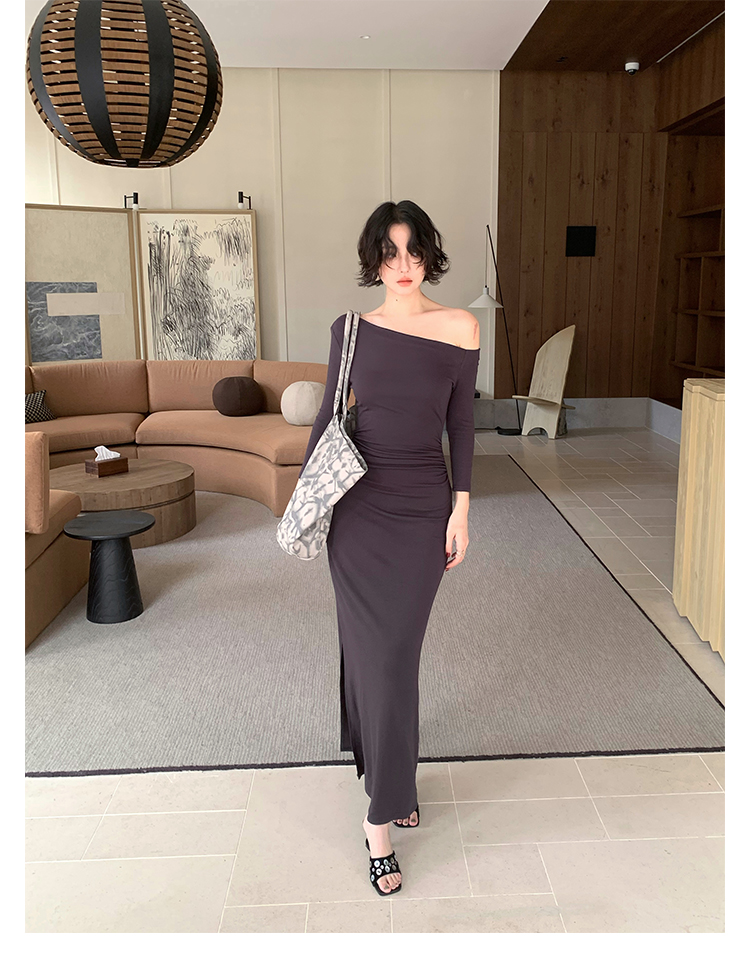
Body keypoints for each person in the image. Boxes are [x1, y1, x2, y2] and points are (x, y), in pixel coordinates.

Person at [299, 200, 480, 896]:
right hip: (359, 513)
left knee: (396, 656)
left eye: (413, 251)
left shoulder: (460, 327)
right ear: (373, 259)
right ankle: (381, 817)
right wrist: (308, 507)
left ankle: (391, 778)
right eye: (389, 252)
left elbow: (461, 425)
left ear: (429, 254)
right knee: (378, 657)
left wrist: (462, 508)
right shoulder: (350, 331)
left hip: (421, 510)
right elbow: (326, 418)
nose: (402, 265)